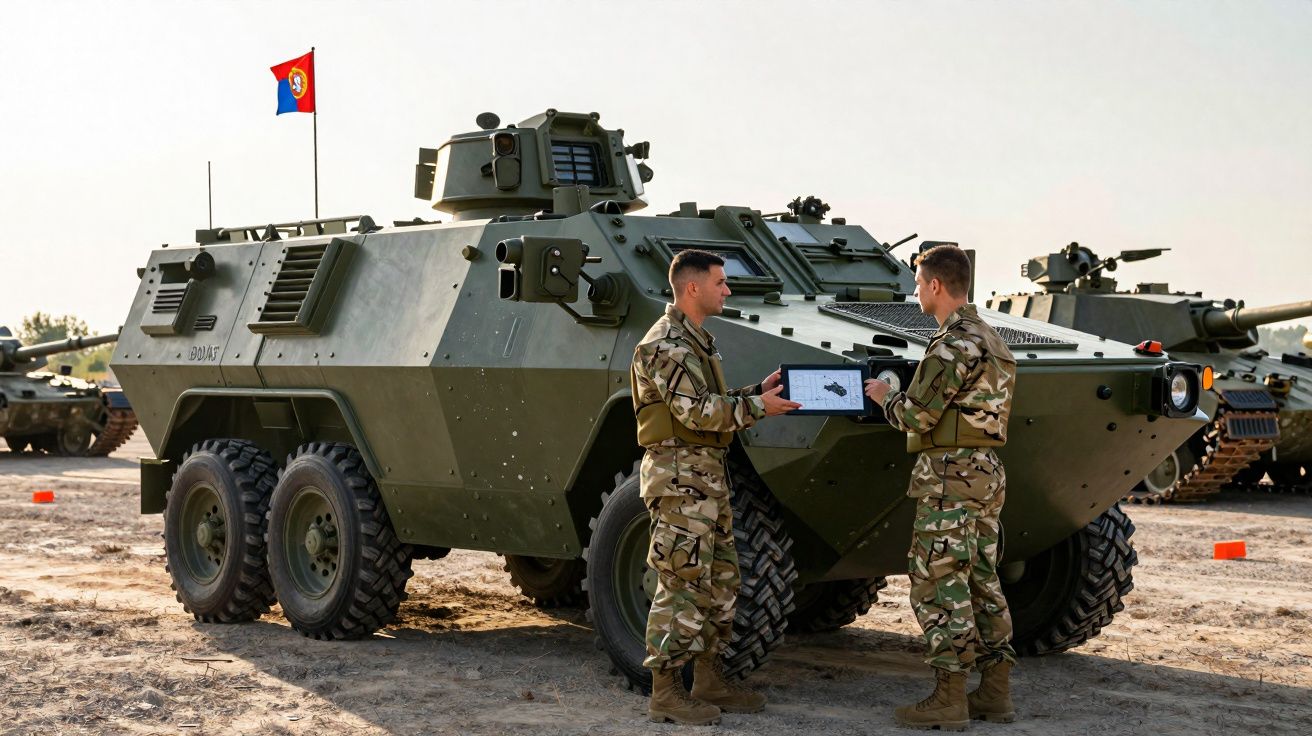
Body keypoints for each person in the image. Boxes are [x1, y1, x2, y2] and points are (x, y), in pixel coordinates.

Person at [630, 249, 800, 725]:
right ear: (692, 288)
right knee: (682, 583)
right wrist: (761, 408)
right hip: (680, 480)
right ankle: (666, 690)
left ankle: (709, 679)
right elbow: (697, 413)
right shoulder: (665, 345)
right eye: (721, 282)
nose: (727, 290)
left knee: (721, 581)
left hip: (706, 477)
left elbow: (712, 403)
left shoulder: (697, 340)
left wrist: (752, 394)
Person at [864, 244, 1019, 729]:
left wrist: (887, 396)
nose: (914, 291)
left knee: (937, 580)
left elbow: (919, 414)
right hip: (986, 471)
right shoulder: (991, 339)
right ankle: (994, 692)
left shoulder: (952, 343)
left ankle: (949, 697)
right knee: (980, 579)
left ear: (935, 285)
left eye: (917, 282)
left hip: (950, 474)